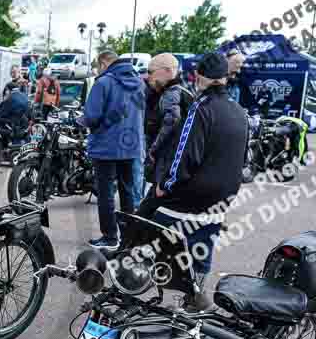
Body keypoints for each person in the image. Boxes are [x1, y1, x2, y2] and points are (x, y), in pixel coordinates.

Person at [139, 52, 248, 311]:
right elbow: (245, 160)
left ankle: (133, 277)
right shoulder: (240, 111)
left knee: (145, 221)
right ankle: (197, 300)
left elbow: (185, 155)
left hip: (193, 198)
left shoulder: (202, 108)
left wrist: (165, 184)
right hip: (223, 199)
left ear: (199, 77)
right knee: (202, 249)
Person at [77, 50, 146, 251]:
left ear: (105, 63)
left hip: (106, 147)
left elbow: (92, 116)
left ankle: (109, 236)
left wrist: (81, 121)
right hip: (131, 145)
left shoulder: (104, 82)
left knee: (105, 192)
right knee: (127, 192)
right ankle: (128, 236)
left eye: (99, 66)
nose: (98, 70)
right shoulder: (139, 83)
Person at [144, 53, 195, 198]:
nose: (148, 77)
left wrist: (153, 149)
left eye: (151, 71)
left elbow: (172, 122)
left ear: (167, 71)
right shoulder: (186, 91)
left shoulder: (171, 93)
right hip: (179, 160)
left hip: (168, 158)